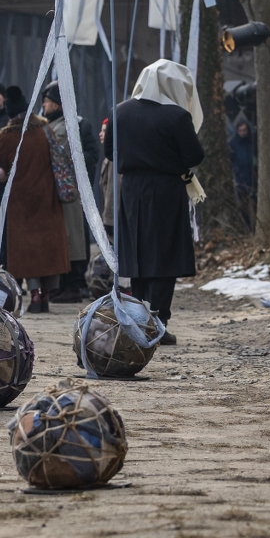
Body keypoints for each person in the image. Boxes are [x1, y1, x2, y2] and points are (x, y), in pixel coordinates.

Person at [108, 60, 205, 343]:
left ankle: (137, 314)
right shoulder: (175, 116)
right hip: (165, 189)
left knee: (137, 251)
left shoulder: (120, 111)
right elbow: (194, 156)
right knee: (165, 254)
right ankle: (159, 319)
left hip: (132, 188)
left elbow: (109, 151)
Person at [0, 108, 69, 313]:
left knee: (27, 252)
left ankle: (35, 294)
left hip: (20, 201)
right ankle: (46, 294)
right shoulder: (45, 130)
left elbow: (3, 164)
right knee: (48, 250)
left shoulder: (7, 136)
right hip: (48, 198)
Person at [41, 83, 98, 302]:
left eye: (46, 102)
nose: (44, 106)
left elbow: (91, 154)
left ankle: (74, 284)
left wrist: (78, 175)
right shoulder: (52, 125)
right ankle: (64, 284)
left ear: (55, 103)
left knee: (73, 237)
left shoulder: (73, 126)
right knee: (64, 238)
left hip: (69, 191)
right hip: (64, 190)